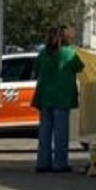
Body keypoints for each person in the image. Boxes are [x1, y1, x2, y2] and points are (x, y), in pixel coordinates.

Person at [32, 25, 84, 173]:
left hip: (44, 97)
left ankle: (43, 163)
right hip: (62, 97)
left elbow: (36, 70)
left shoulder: (43, 54)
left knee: (45, 132)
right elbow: (80, 67)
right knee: (61, 133)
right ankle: (59, 164)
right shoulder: (69, 54)